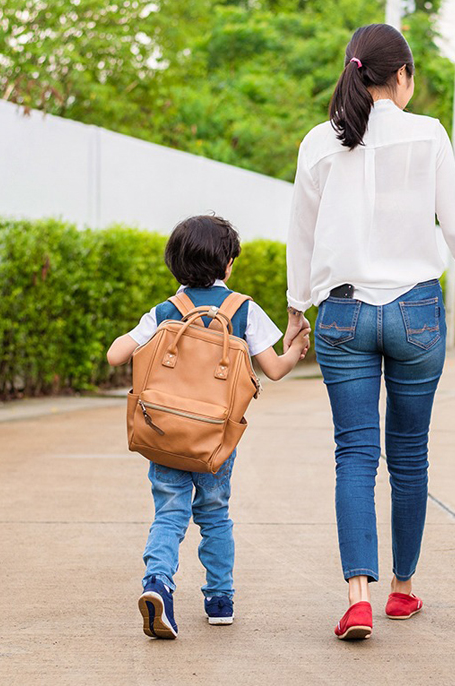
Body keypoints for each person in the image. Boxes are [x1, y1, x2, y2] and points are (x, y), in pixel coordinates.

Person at [284, 23, 455, 640]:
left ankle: (358, 595)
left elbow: (302, 235)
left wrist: (296, 311)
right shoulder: (429, 133)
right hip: (415, 312)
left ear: (355, 73)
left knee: (354, 454)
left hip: (342, 313)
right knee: (409, 455)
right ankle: (402, 590)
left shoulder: (317, 143)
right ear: (402, 76)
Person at [107, 214, 310, 639]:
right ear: (228, 264)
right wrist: (296, 348)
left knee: (169, 513)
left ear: (174, 264)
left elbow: (115, 355)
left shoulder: (167, 310)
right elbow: (272, 369)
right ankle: (220, 600)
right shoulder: (243, 309)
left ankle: (158, 583)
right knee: (215, 515)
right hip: (216, 440)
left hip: (163, 435)